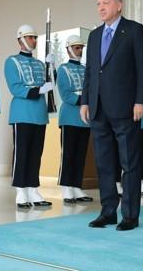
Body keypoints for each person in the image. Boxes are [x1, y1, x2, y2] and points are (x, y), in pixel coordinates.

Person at [81, 0, 143, 231]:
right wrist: (85, 101)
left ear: (119, 5)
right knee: (104, 163)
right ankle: (108, 211)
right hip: (98, 108)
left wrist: (141, 100)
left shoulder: (134, 30)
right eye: (98, 3)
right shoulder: (95, 35)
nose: (101, 7)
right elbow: (90, 70)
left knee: (129, 162)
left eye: (106, 3)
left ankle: (130, 215)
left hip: (126, 108)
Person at [4, 24, 53, 208]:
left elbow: (50, 82)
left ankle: (33, 188)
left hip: (39, 113)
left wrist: (52, 65)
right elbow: (15, 87)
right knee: (22, 153)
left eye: (34, 37)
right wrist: (38, 90)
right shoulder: (12, 61)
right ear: (21, 40)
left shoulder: (40, 64)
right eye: (30, 37)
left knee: (35, 153)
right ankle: (20, 190)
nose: (33, 40)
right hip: (22, 112)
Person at [57, 35, 93, 203]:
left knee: (80, 154)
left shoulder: (86, 69)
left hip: (85, 119)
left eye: (81, 48)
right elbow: (66, 94)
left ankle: (76, 187)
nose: (80, 50)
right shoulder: (63, 69)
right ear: (69, 49)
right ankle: (66, 187)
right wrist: (85, 100)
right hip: (70, 117)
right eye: (77, 47)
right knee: (68, 154)